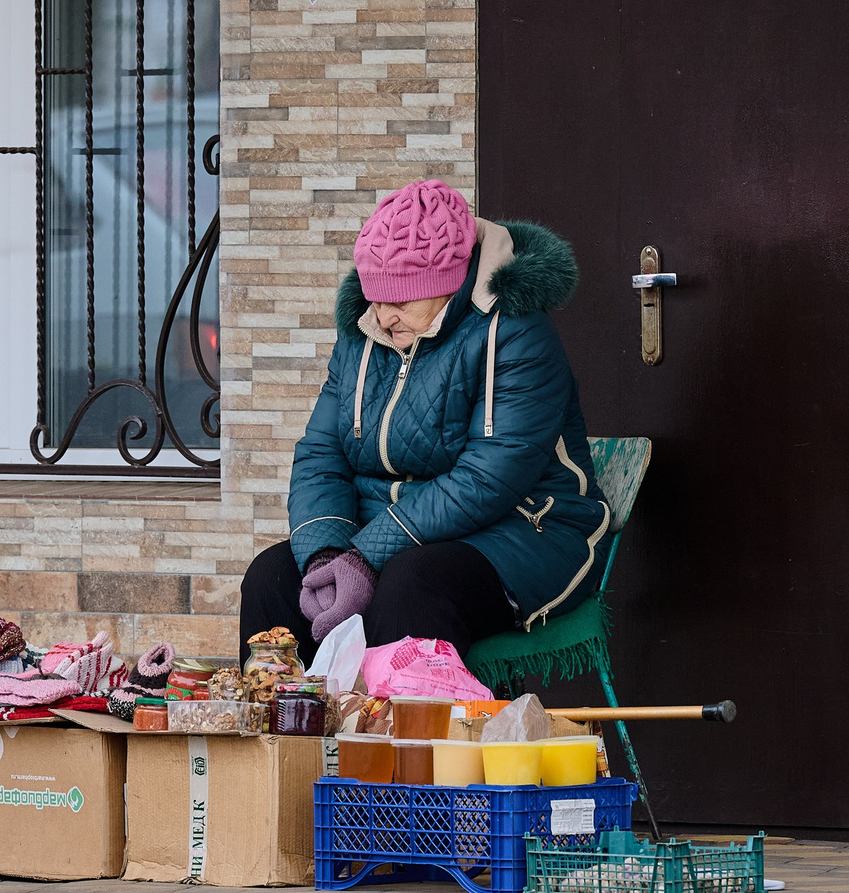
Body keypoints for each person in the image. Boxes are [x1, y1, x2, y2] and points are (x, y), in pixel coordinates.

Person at [241, 180, 608, 663]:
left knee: (412, 586)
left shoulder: (514, 331)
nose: (384, 316)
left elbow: (491, 474)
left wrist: (366, 555)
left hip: (526, 528)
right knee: (271, 578)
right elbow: (321, 455)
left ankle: (401, 738)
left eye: (401, 303)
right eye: (376, 299)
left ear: (448, 285)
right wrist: (328, 556)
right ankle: (294, 732)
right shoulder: (364, 333)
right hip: (387, 536)